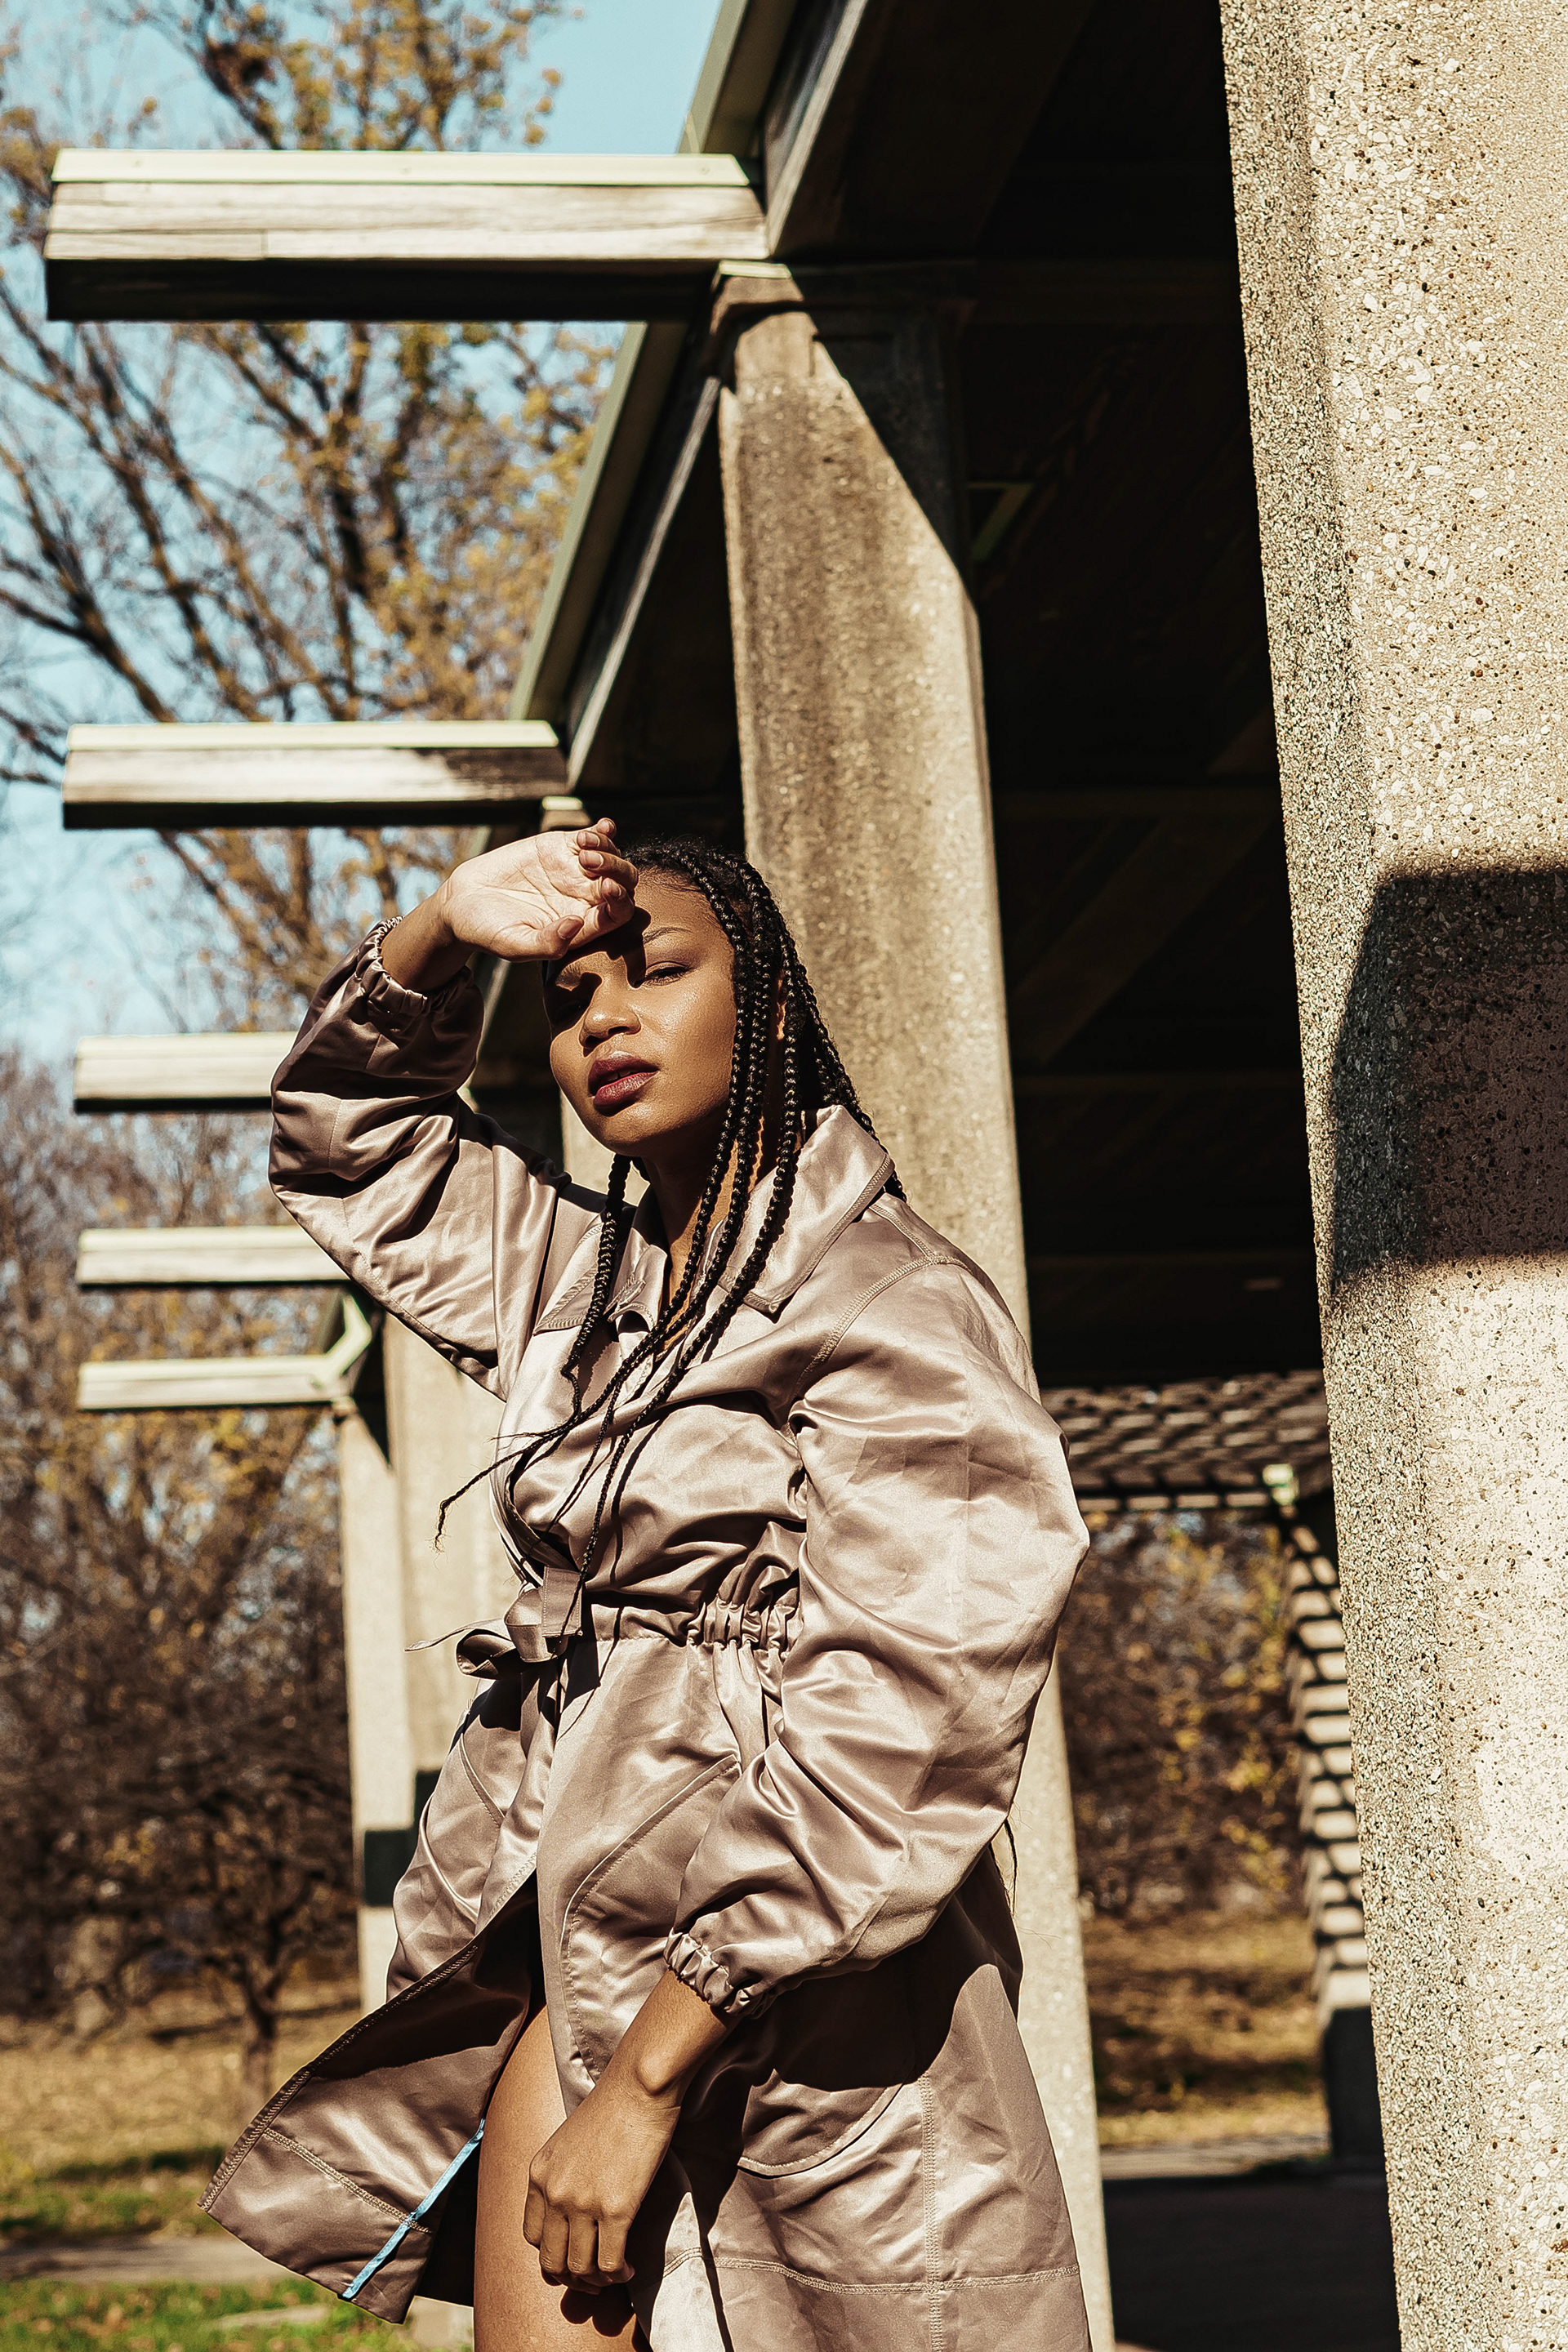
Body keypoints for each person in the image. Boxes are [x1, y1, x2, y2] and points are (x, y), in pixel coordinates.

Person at [203, 820, 1092, 2352]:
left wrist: (648, 2076)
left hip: (817, 1999)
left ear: (768, 1006)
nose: (605, 1019)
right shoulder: (578, 1283)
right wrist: (446, 926)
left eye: (658, 972)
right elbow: (352, 1141)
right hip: (579, 1947)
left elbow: (911, 1715)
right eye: (569, 1000)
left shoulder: (894, 1299)